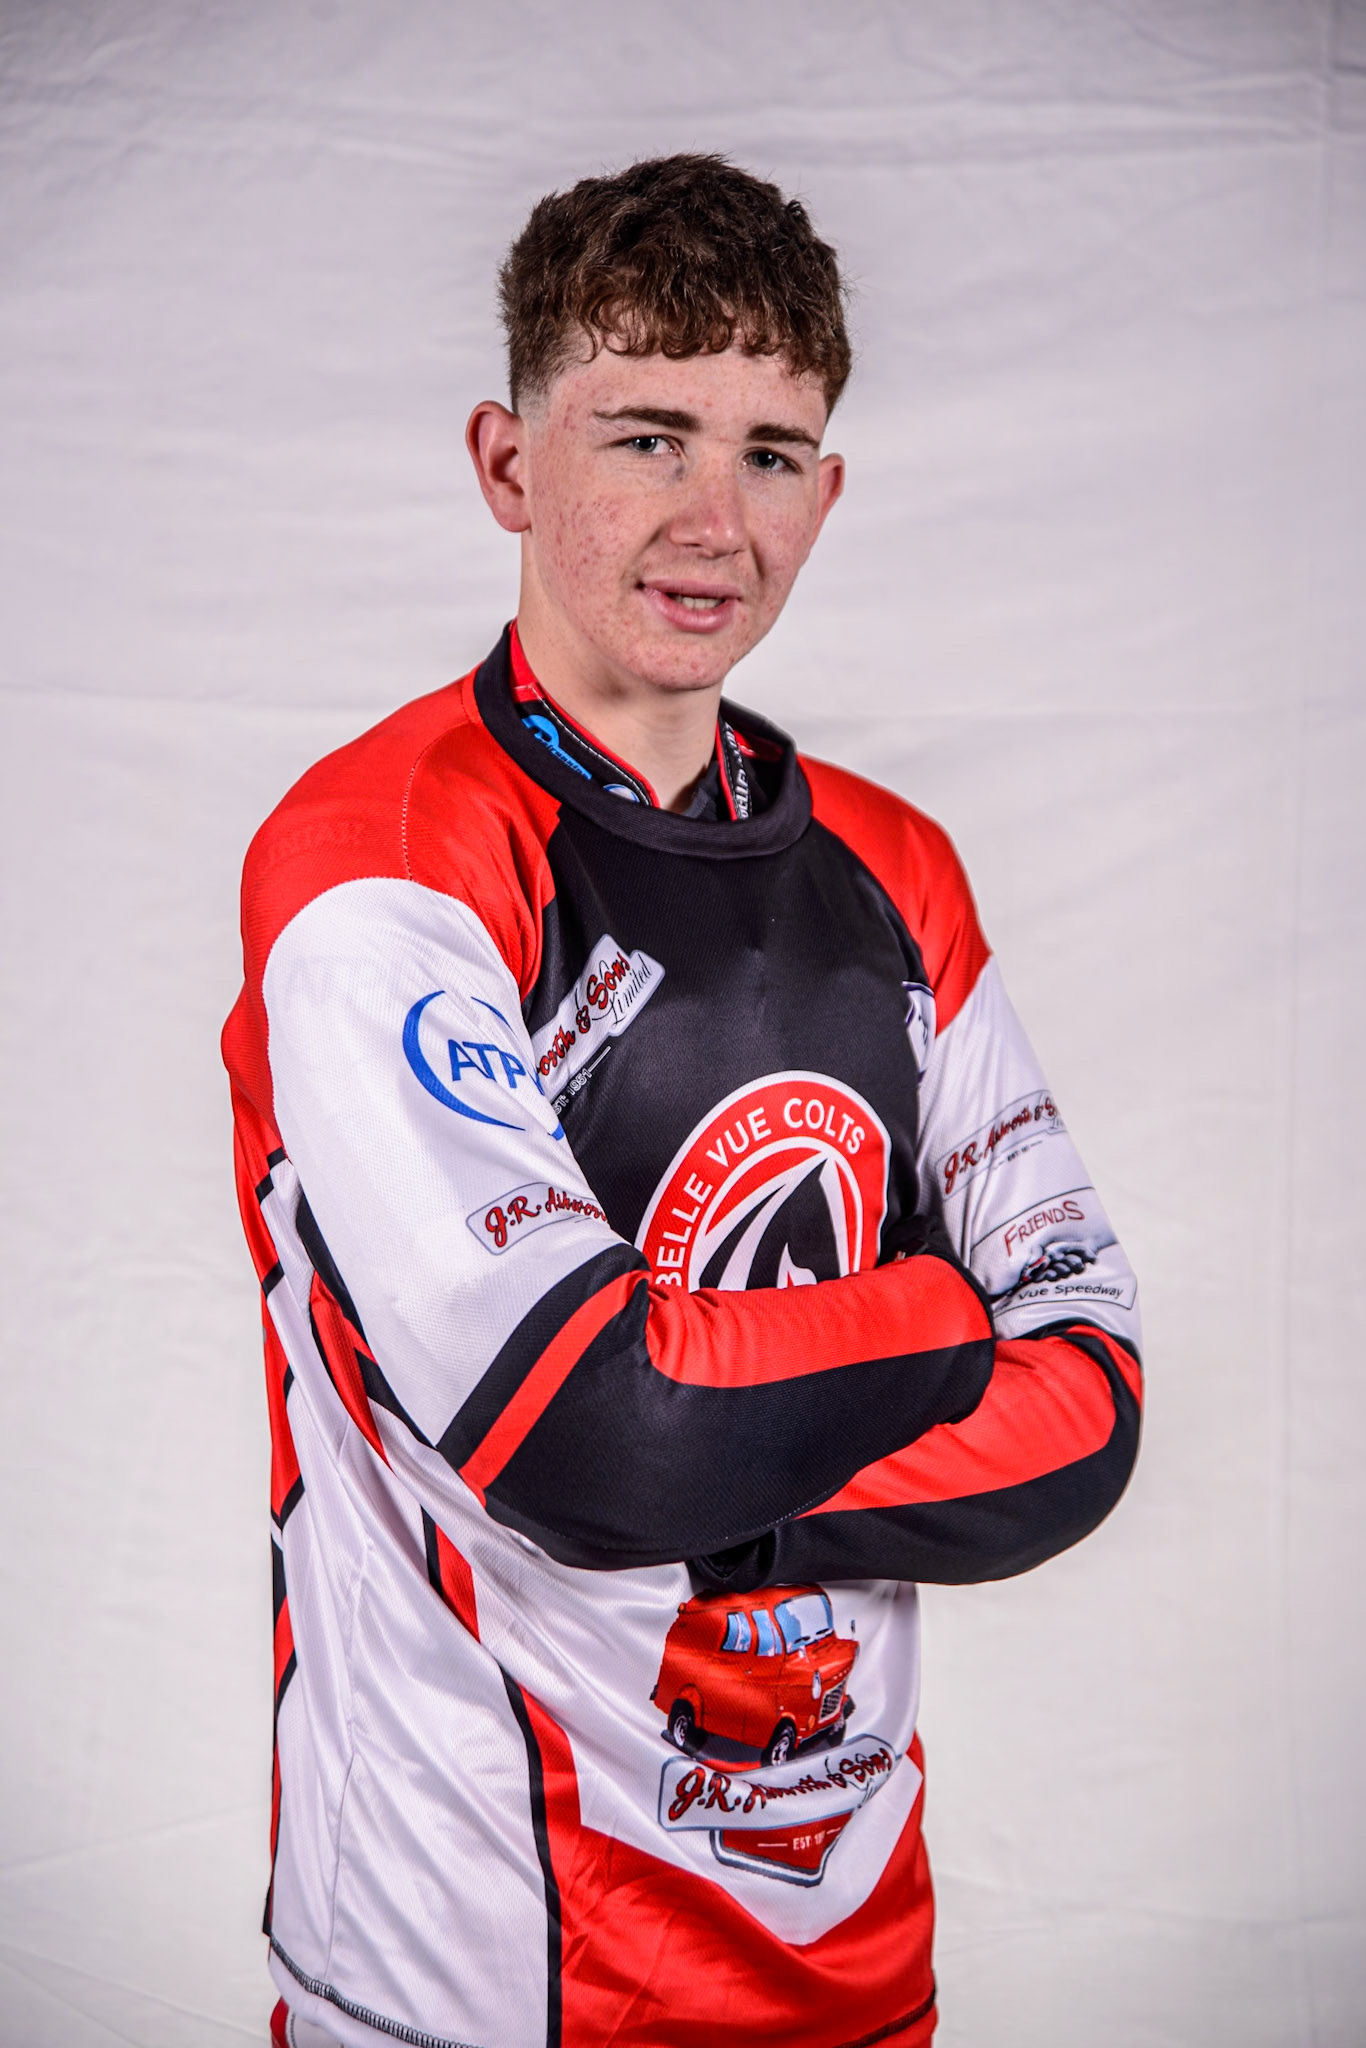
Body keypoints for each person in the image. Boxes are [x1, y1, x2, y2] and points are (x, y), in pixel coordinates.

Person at [224, 153, 1142, 2048]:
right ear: (506, 463)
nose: (711, 520)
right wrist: (942, 1326)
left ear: (830, 487)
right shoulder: (377, 864)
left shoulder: (899, 871)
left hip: (851, 1955)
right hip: (469, 1977)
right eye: (645, 436)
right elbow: (597, 1439)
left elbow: (1096, 1417)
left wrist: (720, 1448)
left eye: (773, 453)